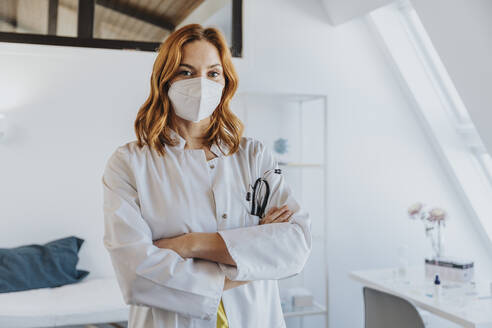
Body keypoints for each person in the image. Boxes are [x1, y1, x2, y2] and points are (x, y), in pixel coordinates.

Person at [101, 23, 312, 328]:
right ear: (164, 80)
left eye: (213, 73)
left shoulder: (253, 155)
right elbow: (136, 275)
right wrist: (252, 255)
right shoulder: (129, 164)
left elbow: (294, 246)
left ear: (225, 81)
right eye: (186, 72)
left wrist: (189, 245)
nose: (201, 84)